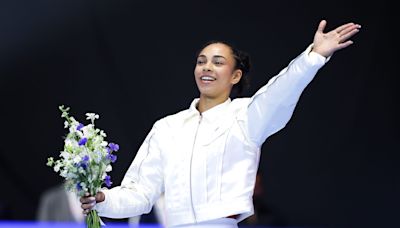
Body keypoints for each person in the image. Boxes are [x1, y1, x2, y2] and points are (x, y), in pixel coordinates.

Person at [80, 20, 361, 227]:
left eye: (217, 62)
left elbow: (281, 90)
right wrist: (104, 200)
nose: (206, 67)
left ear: (235, 75)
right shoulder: (167, 127)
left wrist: (313, 57)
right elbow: (140, 193)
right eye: (201, 61)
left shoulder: (246, 116)